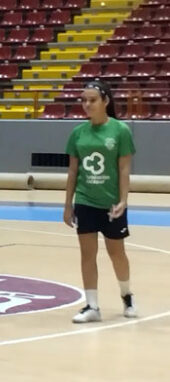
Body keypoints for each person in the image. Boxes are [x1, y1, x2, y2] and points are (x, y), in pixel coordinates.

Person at [63, 80, 137, 324]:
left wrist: (123, 200)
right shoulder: (77, 133)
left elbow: (124, 169)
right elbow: (73, 172)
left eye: (92, 100)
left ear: (105, 101)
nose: (86, 104)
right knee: (87, 254)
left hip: (111, 204)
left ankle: (127, 296)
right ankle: (92, 306)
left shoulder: (120, 130)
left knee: (117, 253)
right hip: (85, 201)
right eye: (83, 100)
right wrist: (68, 204)